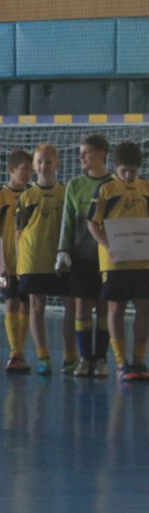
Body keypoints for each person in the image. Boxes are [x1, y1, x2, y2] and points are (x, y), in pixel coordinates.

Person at [88, 141, 149, 382]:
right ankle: (121, 361)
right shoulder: (106, 189)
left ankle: (139, 359)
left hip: (142, 260)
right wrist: (108, 245)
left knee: (144, 307)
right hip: (115, 261)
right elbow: (92, 223)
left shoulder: (145, 187)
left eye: (133, 171)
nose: (129, 175)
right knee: (116, 307)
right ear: (116, 167)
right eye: (124, 170)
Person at [59, 134, 113, 378]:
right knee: (81, 310)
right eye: (80, 152)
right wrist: (62, 250)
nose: (81, 156)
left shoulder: (114, 184)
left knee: (104, 309)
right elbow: (67, 222)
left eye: (87, 152)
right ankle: (84, 358)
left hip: (107, 259)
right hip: (80, 258)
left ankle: (100, 359)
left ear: (102, 154)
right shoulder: (74, 185)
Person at [17, 145, 69, 375]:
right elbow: (19, 232)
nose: (43, 165)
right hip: (33, 259)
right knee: (37, 307)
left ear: (56, 164)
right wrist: (18, 263)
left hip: (60, 258)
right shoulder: (27, 196)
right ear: (33, 165)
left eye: (48, 161)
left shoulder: (65, 193)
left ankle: (70, 356)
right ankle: (42, 355)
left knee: (71, 306)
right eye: (39, 161)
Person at [0, 149, 32, 373]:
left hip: (27, 261)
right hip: (4, 261)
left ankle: (20, 351)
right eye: (24, 169)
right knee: (10, 301)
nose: (28, 174)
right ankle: (14, 352)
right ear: (11, 169)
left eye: (30, 170)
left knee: (26, 303)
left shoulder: (31, 195)